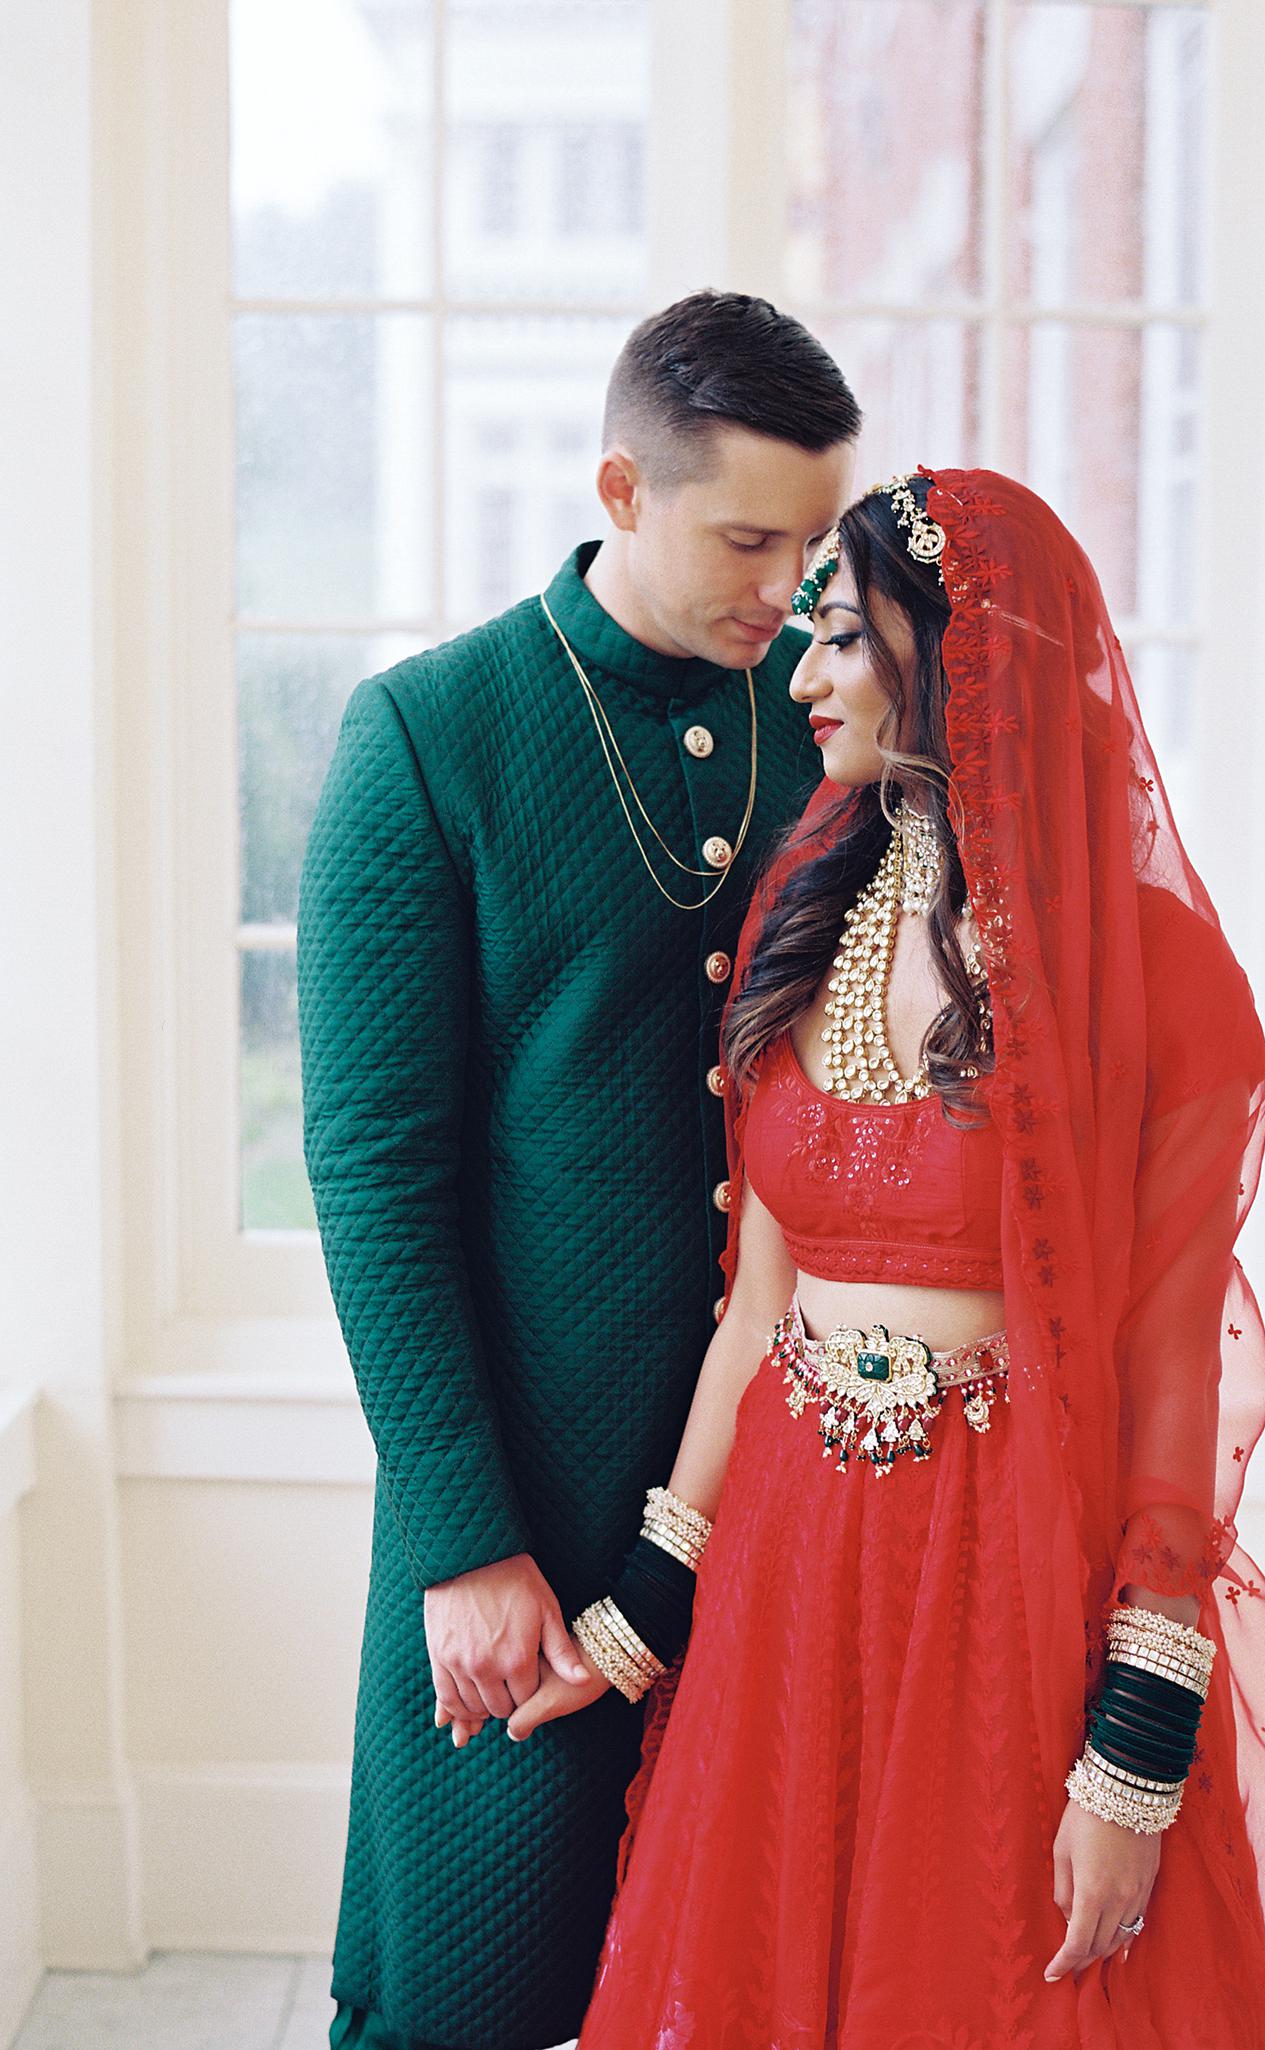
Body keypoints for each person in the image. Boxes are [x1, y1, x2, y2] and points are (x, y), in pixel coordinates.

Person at [505, 469, 1265, 2047]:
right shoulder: (799, 922)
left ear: (959, 650)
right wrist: (641, 1606)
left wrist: (1138, 1747)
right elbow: (754, 1305)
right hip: (789, 1570)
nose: (802, 675)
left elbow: (1168, 1366)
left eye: (837, 636)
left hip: (1008, 1577)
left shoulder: (1153, 978)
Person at [296, 290, 859, 2050]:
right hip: (524, 1498)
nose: (786, 591)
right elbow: (374, 1169)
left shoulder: (825, 718)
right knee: (473, 1979)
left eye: (813, 546)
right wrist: (463, 1541)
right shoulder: (428, 733)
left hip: (784, 1488)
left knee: (745, 1976)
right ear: (624, 484)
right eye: (747, 539)